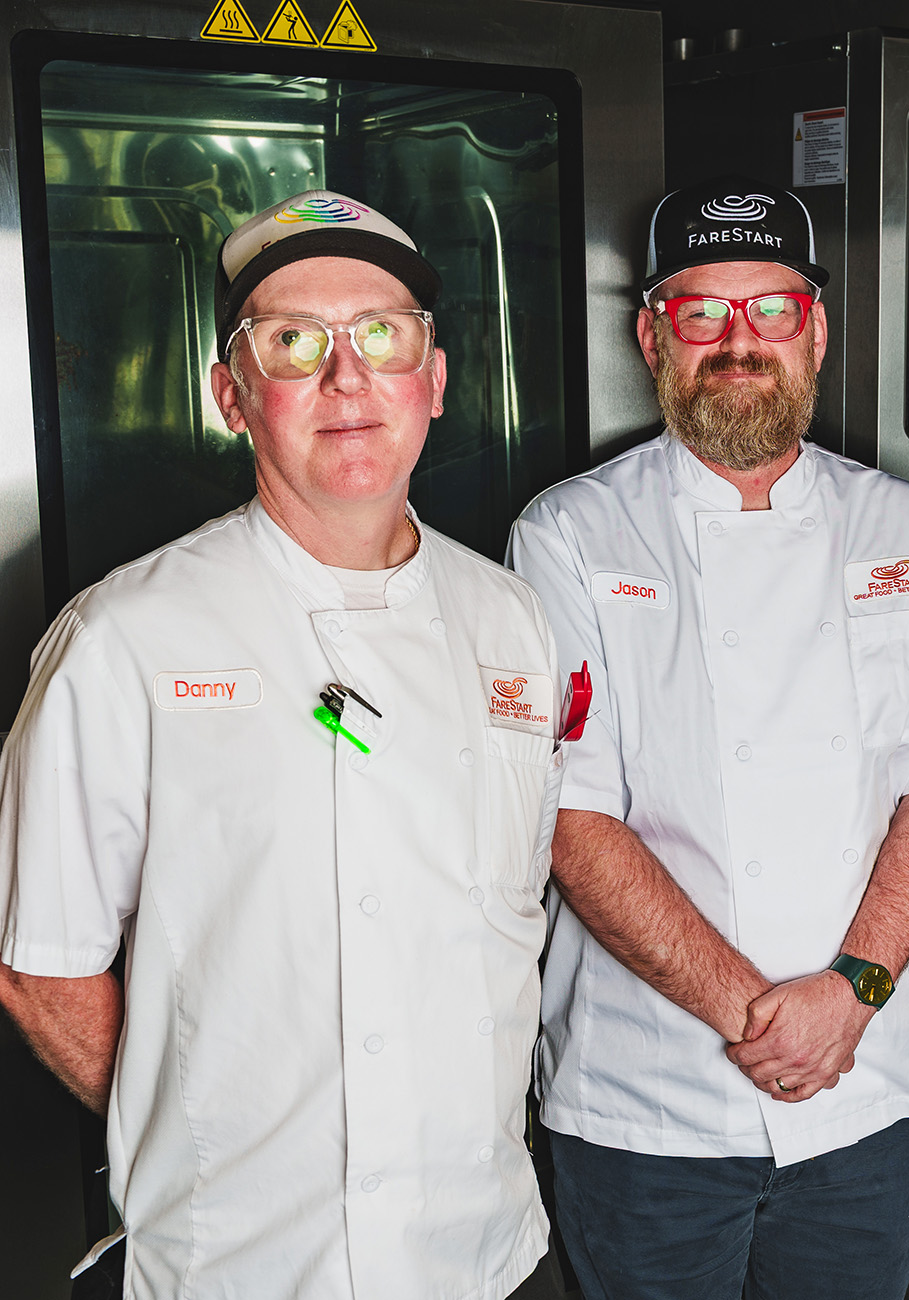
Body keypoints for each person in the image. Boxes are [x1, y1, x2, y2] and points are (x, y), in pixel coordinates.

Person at [0, 190, 565, 1298]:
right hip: (236, 1265)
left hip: (485, 1252)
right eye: (293, 341)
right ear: (232, 394)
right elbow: (41, 968)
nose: (346, 378)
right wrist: (202, 1126)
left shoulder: (516, 623)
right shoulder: (125, 636)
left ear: (435, 381)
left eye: (384, 335)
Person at [507, 176, 909, 1300]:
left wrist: (849, 995)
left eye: (770, 310)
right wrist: (761, 1017)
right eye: (702, 313)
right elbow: (571, 815)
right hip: (646, 1110)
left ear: (814, 330)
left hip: (870, 1093)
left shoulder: (906, 528)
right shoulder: (569, 534)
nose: (739, 342)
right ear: (653, 335)